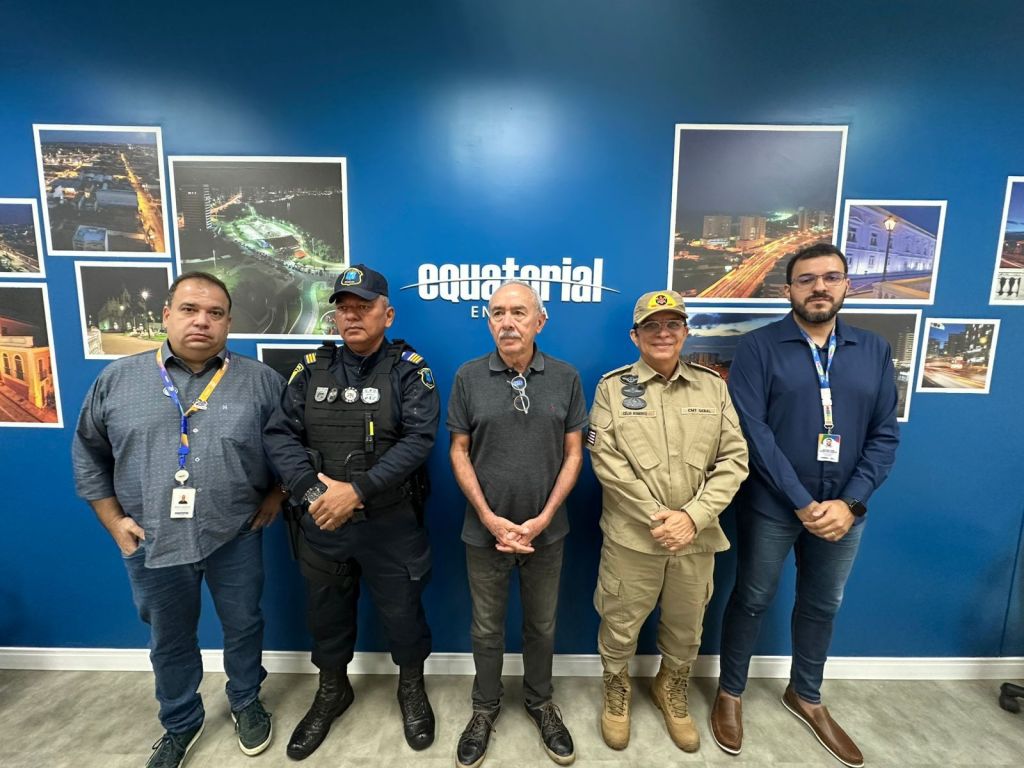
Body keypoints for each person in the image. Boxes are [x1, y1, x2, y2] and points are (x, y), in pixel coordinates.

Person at [73, 272, 285, 768]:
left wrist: (278, 495)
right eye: (189, 309)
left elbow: (292, 449)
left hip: (235, 532)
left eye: (215, 313)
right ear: (166, 315)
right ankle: (180, 721)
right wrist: (114, 521)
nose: (201, 322)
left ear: (228, 323)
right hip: (151, 538)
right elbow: (88, 455)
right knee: (169, 638)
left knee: (244, 624)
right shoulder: (117, 380)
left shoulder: (261, 382)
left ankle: (246, 701)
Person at [712, 243, 900, 768]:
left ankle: (807, 695)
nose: (819, 287)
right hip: (773, 504)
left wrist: (851, 502)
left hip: (845, 510)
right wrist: (800, 501)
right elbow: (753, 432)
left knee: (823, 604)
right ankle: (730, 692)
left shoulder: (873, 349)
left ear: (846, 285)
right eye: (807, 279)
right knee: (751, 597)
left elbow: (884, 435)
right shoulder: (759, 347)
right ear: (788, 289)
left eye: (831, 277)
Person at [262, 264, 439, 759]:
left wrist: (357, 491)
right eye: (344, 308)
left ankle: (411, 687)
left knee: (404, 615)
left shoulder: (410, 370)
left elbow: (419, 440)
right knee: (327, 616)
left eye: (364, 307)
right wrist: (313, 493)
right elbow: (280, 434)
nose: (352, 316)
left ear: (388, 314)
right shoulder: (310, 369)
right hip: (322, 521)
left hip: (391, 523)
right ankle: (332, 690)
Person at [587, 290, 748, 753]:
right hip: (633, 537)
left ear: (686, 332)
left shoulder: (712, 387)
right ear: (635, 336)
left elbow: (734, 459)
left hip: (696, 539)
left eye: (673, 324)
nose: (663, 333)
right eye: (652, 326)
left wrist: (692, 518)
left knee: (686, 626)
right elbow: (607, 463)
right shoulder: (611, 388)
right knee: (620, 621)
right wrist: (661, 518)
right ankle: (616, 690)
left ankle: (670, 688)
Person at [447, 280, 587, 767]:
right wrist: (489, 518)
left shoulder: (566, 377)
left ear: (539, 321)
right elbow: (458, 451)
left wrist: (543, 518)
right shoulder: (468, 376)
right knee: (486, 628)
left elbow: (575, 453)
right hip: (483, 531)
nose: (507, 322)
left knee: (541, 626)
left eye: (518, 312)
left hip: (546, 532)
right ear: (488, 322)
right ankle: (484, 708)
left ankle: (540, 702)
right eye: (497, 313)